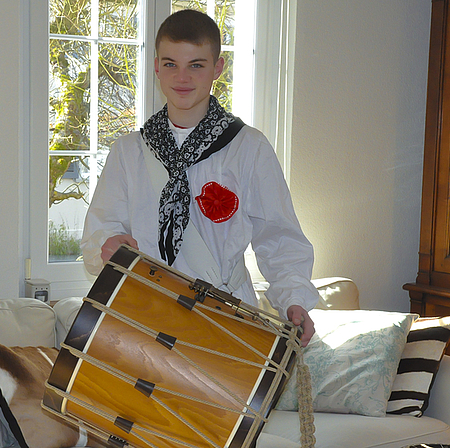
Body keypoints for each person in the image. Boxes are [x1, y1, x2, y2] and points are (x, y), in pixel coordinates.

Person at [81, 9, 318, 346]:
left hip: (225, 320)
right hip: (146, 317)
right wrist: (107, 244)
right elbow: (102, 229)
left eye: (196, 65)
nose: (182, 77)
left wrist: (294, 301)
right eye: (170, 64)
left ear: (217, 68)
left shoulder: (248, 148)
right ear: (156, 67)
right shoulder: (129, 151)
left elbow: (279, 237)